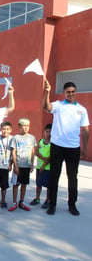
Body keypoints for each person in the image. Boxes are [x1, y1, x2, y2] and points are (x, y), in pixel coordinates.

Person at [43, 81, 89, 216]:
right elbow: (46, 106)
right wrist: (47, 91)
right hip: (57, 146)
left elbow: (85, 130)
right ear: (64, 93)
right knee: (54, 176)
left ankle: (72, 205)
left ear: (76, 92)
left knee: (72, 177)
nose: (71, 94)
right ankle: (52, 204)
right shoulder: (58, 105)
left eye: (73, 92)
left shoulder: (82, 110)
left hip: (73, 148)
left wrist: (84, 148)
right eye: (68, 92)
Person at [8, 118, 36, 212]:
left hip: (26, 165)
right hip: (18, 165)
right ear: (19, 126)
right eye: (23, 126)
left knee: (24, 183)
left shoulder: (31, 138)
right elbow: (13, 152)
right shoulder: (16, 138)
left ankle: (22, 201)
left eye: (27, 126)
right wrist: (14, 165)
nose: (26, 128)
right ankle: (14, 202)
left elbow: (32, 151)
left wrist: (32, 164)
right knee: (16, 184)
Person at [30, 124, 52, 209]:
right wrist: (42, 158)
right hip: (39, 167)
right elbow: (36, 152)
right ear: (44, 132)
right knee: (38, 183)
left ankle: (47, 200)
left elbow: (50, 157)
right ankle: (37, 198)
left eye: (50, 132)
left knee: (48, 185)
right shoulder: (40, 141)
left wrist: (44, 165)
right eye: (47, 131)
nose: (48, 134)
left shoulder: (52, 144)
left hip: (48, 167)